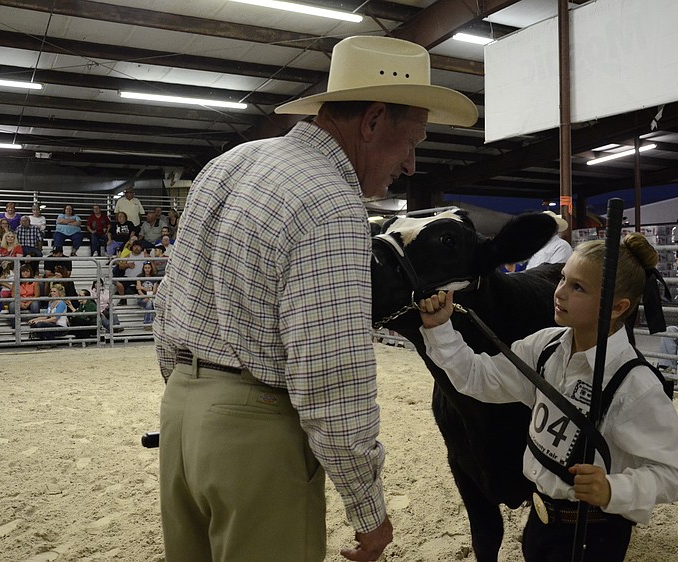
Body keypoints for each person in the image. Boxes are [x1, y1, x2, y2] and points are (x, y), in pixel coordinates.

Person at [153, 35, 477, 562]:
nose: (413, 164)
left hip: (182, 416)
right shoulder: (330, 202)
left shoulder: (231, 163)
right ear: (372, 121)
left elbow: (170, 301)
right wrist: (367, 508)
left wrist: (193, 398)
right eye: (411, 141)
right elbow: (331, 374)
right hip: (256, 434)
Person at [418, 232, 678, 562]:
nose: (559, 292)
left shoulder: (636, 384)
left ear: (618, 307)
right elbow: (478, 377)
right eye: (563, 279)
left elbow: (672, 477)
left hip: (594, 532)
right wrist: (440, 329)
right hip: (540, 521)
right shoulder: (545, 347)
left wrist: (614, 489)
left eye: (578, 287)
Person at [136, 261, 158, 327]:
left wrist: (142, 288)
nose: (147, 269)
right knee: (149, 303)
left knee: (149, 303)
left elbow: (154, 290)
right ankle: (148, 323)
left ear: (151, 268)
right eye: (145, 268)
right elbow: (139, 290)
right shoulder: (139, 276)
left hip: (151, 297)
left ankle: (147, 323)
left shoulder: (154, 277)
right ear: (143, 269)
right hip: (142, 298)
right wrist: (145, 296)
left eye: (148, 268)